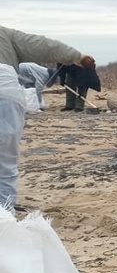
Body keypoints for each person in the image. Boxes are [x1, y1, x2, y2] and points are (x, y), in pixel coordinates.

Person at [1, 25, 95, 209]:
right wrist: (77, 56)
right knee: (5, 164)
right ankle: (4, 218)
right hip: (6, 90)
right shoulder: (5, 34)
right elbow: (43, 45)